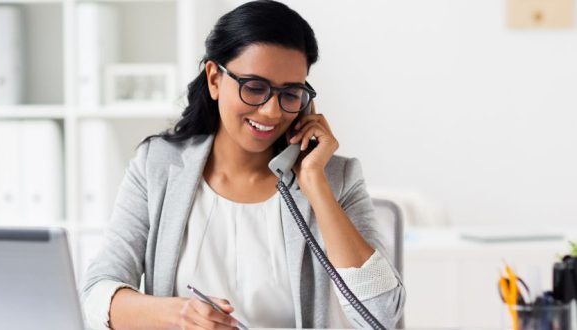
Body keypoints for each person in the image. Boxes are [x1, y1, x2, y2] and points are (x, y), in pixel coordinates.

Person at [81, 1, 405, 329]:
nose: (271, 111)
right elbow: (95, 294)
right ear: (214, 79)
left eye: (290, 94)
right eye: (254, 88)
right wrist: (178, 316)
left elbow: (382, 316)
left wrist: (316, 186)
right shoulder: (158, 165)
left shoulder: (335, 178)